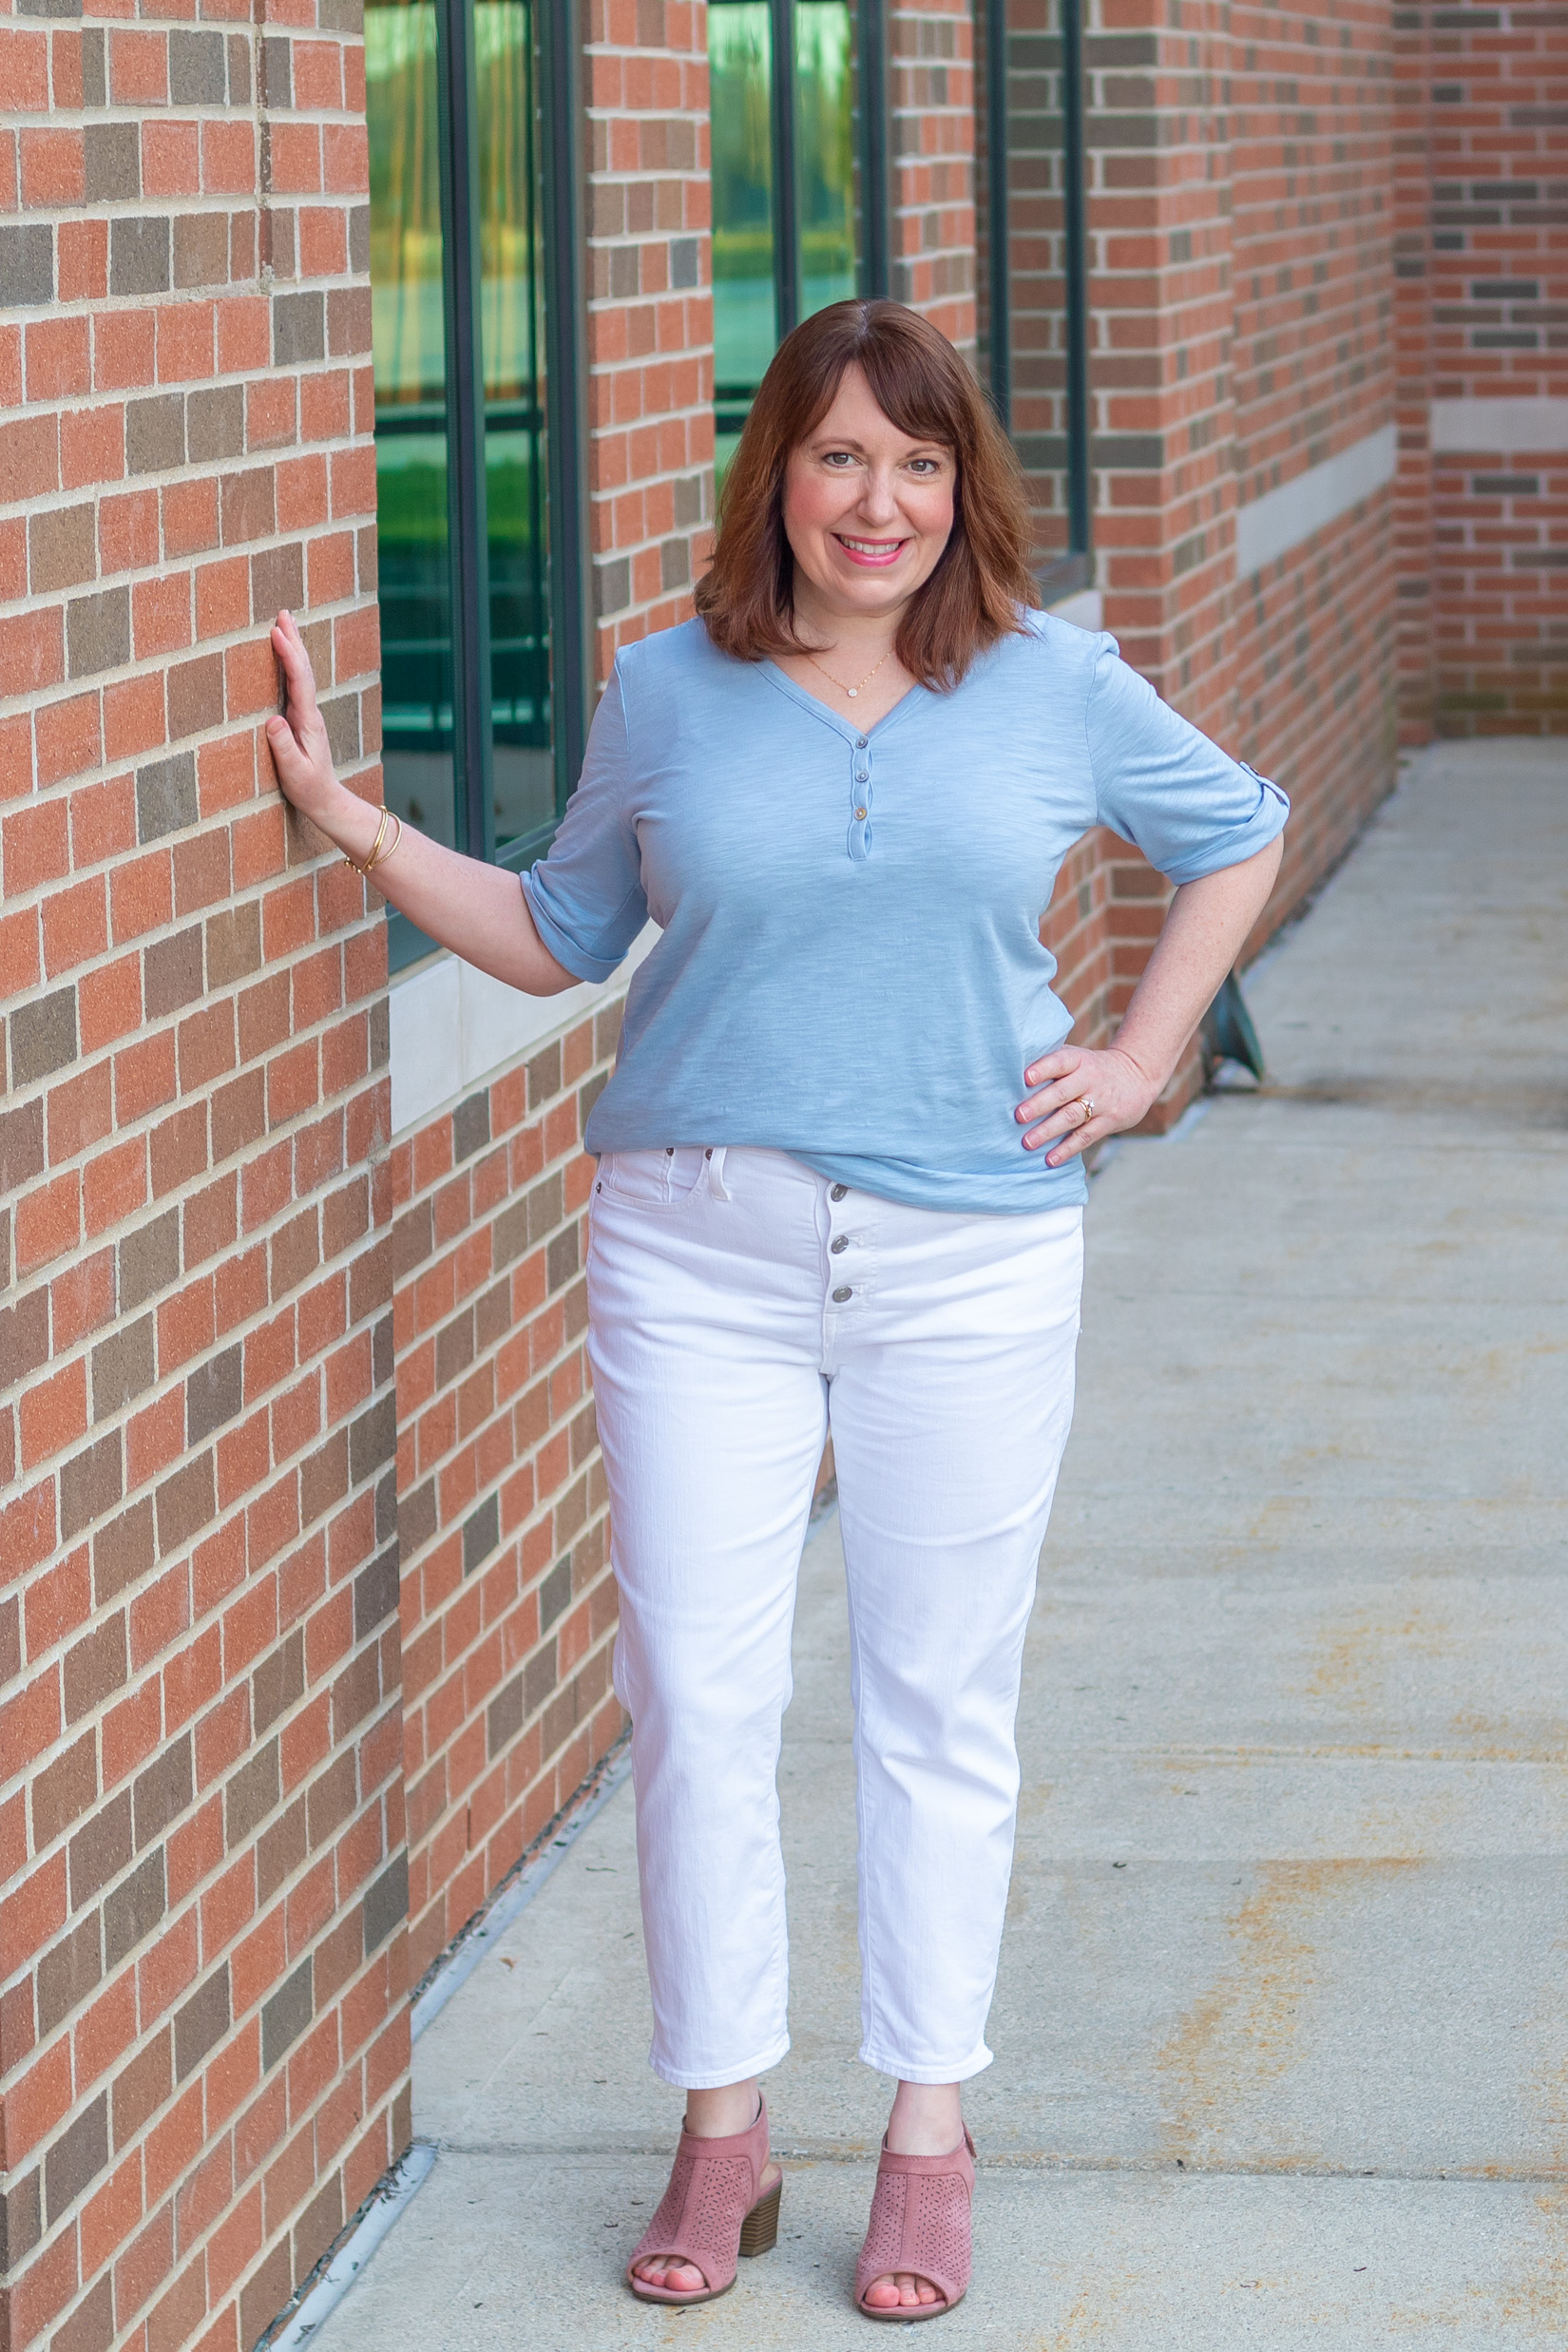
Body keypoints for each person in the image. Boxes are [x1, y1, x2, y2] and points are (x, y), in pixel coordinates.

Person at [266, 297, 1286, 2322]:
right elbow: (561, 937)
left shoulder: (1053, 682)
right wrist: (358, 822)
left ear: (960, 487)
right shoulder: (666, 687)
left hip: (974, 1252)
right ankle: (722, 2123)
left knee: (935, 1702)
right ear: (778, 480)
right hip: (694, 1246)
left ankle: (926, 2129)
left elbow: (1236, 831)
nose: (877, 500)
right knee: (700, 1698)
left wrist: (1149, 1051)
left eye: (916, 461)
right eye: (836, 456)